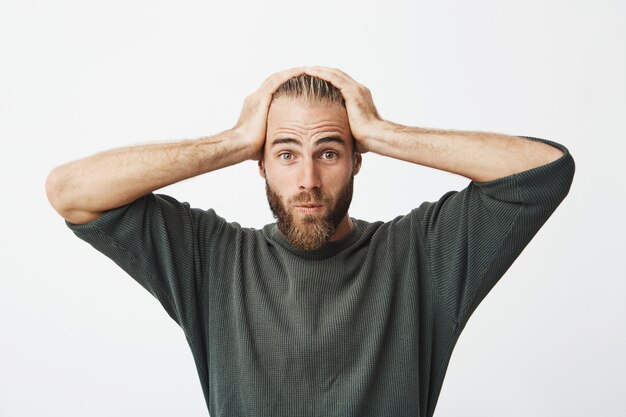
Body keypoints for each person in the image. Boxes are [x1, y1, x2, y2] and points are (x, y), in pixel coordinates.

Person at [46, 66, 575, 417]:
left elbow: (544, 172)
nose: (307, 181)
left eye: (328, 152)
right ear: (260, 165)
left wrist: (381, 130)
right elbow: (72, 193)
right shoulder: (212, 259)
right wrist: (231, 140)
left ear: (357, 159)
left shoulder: (420, 254)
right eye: (285, 154)